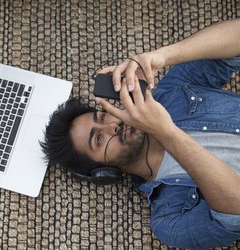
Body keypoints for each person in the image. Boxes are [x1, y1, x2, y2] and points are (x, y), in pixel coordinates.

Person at [40, 19, 240, 249]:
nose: (111, 127)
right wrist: (167, 133)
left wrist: (164, 55)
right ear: (103, 173)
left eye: (103, 117)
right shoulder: (170, 220)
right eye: (98, 139)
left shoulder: (169, 94)